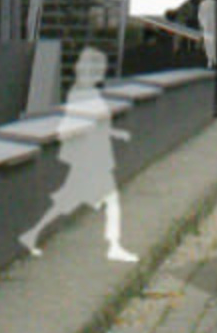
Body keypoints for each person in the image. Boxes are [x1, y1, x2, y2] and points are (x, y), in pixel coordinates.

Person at [20, 48, 135, 263]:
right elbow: (79, 124)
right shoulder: (82, 94)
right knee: (105, 200)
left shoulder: (86, 93)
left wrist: (116, 133)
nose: (100, 73)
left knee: (73, 201)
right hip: (90, 160)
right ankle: (113, 246)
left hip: (95, 158)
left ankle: (32, 235)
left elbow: (95, 124)